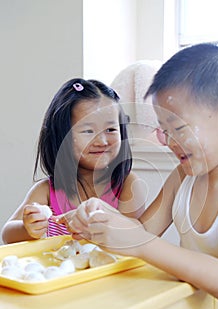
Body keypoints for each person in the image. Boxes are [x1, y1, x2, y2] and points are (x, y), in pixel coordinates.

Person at [58, 44, 218, 309]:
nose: (167, 141)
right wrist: (102, 215)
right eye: (162, 129)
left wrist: (140, 243)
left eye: (177, 128)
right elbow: (142, 232)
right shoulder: (183, 178)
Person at [1, 78, 145, 244]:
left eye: (111, 129)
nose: (102, 141)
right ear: (61, 137)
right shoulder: (47, 191)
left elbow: (136, 234)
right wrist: (28, 228)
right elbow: (7, 234)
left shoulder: (128, 183)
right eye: (88, 130)